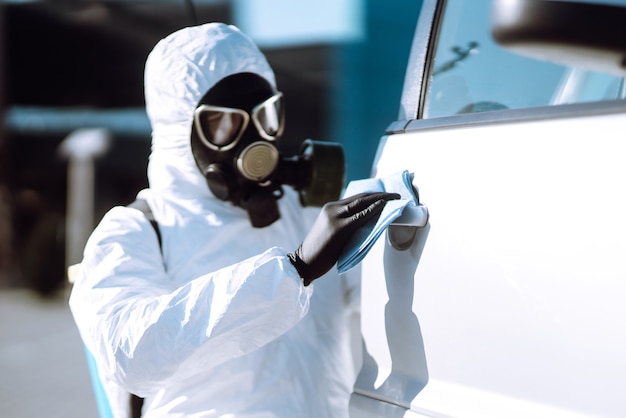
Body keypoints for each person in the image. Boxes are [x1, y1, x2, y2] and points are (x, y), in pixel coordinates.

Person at [69, 22, 398, 418]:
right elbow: (129, 355)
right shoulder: (135, 231)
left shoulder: (306, 212)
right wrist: (293, 270)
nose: (256, 140)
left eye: (266, 116)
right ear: (180, 131)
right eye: (223, 124)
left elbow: (386, 299)